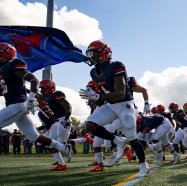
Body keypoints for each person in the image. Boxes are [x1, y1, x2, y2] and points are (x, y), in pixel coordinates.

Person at [80, 40, 149, 177]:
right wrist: (96, 97)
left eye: (93, 53)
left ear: (103, 53)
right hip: (111, 105)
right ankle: (118, 141)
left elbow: (120, 93)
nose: (91, 57)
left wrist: (97, 97)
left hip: (125, 105)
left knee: (132, 138)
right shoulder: (94, 72)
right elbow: (105, 94)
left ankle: (143, 164)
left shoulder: (117, 65)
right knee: (90, 125)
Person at [0, 42, 70, 161]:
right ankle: (63, 147)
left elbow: (33, 80)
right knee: (34, 137)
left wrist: (31, 99)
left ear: (6, 53)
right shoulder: (3, 69)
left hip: (19, 105)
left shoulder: (13, 63)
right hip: (14, 105)